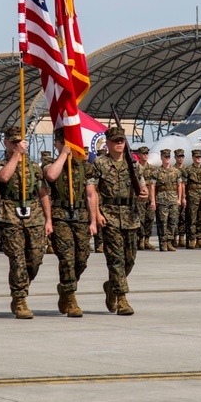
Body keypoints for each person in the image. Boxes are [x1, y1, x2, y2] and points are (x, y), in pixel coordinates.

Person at [0, 126, 53, 319]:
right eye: (14, 142)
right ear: (6, 143)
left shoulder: (34, 167)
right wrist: (16, 155)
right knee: (17, 259)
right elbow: (4, 177)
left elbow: (43, 194)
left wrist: (48, 219)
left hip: (34, 217)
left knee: (35, 259)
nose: (18, 144)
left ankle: (23, 286)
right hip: (10, 216)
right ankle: (20, 300)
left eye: (20, 141)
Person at [88, 126, 147, 315]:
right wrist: (96, 214)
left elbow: (142, 185)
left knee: (129, 260)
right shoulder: (100, 163)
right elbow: (93, 191)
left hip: (131, 215)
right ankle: (122, 299)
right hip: (110, 215)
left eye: (122, 140)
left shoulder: (134, 164)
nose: (119, 143)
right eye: (116, 140)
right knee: (116, 260)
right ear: (108, 143)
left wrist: (144, 194)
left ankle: (111, 286)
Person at [44, 128, 98, 317]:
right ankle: (71, 298)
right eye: (62, 142)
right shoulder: (50, 163)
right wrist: (63, 155)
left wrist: (93, 220)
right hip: (60, 216)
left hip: (81, 217)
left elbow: (91, 194)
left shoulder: (84, 166)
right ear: (56, 144)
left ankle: (65, 288)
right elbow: (51, 176)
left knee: (82, 258)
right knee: (66, 258)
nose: (66, 145)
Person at [149, 149, 183, 251]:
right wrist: (153, 201)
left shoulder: (176, 172)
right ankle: (163, 243)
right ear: (161, 158)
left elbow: (179, 185)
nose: (167, 159)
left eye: (168, 157)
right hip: (162, 200)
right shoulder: (157, 172)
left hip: (173, 199)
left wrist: (179, 199)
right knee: (163, 222)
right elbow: (152, 187)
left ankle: (169, 242)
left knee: (172, 222)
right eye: (165, 157)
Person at [183, 149, 201, 249]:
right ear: (193, 158)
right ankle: (192, 240)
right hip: (192, 196)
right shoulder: (188, 170)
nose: (198, 158)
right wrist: (184, 197)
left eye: (199, 157)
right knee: (192, 219)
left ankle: (200, 239)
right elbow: (183, 184)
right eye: (196, 157)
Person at [136, 146, 156, 250]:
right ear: (139, 155)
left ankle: (147, 240)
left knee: (150, 218)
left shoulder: (152, 169)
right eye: (143, 153)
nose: (145, 155)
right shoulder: (136, 168)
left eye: (147, 153)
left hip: (150, 195)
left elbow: (154, 184)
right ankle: (141, 240)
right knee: (140, 218)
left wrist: (153, 198)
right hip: (140, 196)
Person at [173, 149, 187, 247]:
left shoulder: (186, 170)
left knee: (183, 217)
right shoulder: (173, 169)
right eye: (178, 157)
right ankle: (174, 238)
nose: (180, 158)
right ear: (175, 158)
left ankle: (182, 237)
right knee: (174, 218)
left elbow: (186, 184)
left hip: (185, 196)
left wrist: (184, 197)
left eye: (182, 156)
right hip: (174, 196)